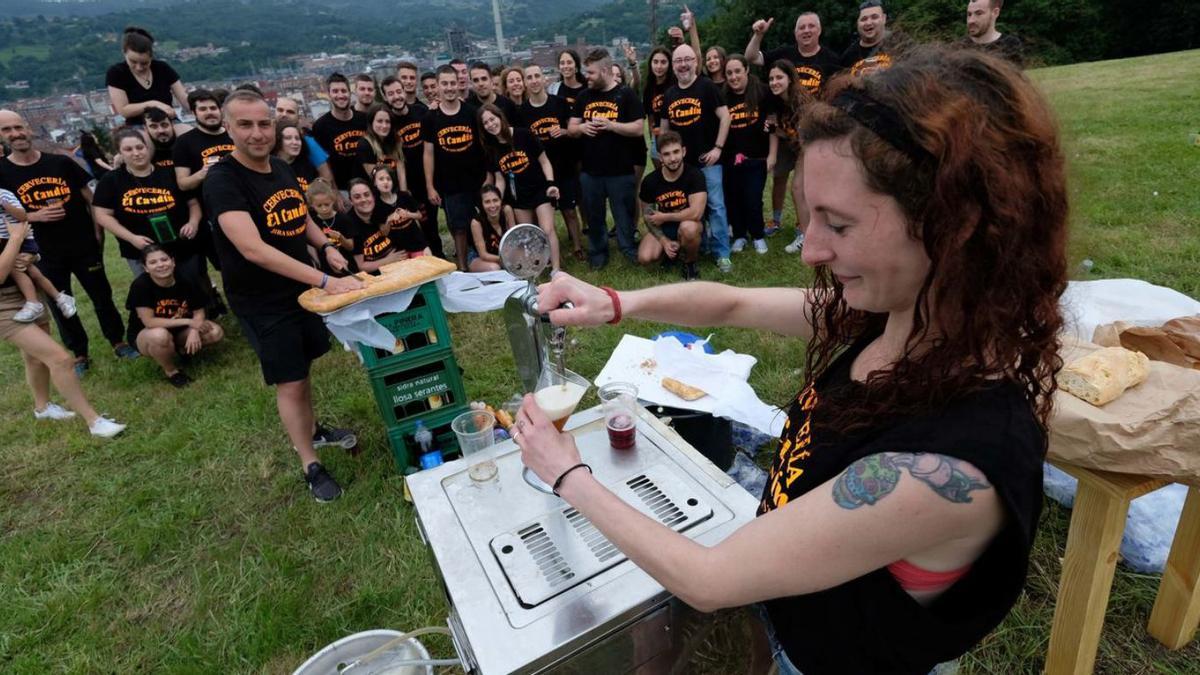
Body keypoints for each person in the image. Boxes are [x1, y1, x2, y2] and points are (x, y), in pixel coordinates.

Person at [515, 46, 1067, 675]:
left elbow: (710, 578)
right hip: (796, 607)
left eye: (839, 224)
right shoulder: (904, 313)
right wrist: (613, 301)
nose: (811, 251)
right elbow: (732, 305)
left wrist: (566, 473)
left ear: (954, 224)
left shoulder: (945, 466)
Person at [204, 89, 364, 503]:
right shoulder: (223, 180)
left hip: (302, 288)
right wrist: (326, 281)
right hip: (262, 298)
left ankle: (312, 429)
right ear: (228, 127)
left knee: (304, 364)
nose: (257, 133)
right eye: (245, 125)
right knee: (290, 380)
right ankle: (310, 463)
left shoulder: (277, 165)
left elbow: (300, 213)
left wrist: (325, 245)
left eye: (263, 124)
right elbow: (252, 249)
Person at [0, 109, 137, 375]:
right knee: (61, 301)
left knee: (101, 296)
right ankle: (79, 354)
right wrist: (33, 215)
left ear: (28, 129)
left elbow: (90, 198)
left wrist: (98, 231)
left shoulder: (60, 163)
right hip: (42, 252)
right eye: (7, 130)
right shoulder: (2, 172)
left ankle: (118, 342)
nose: (15, 134)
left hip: (82, 243)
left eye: (18, 127)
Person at [0, 218, 126, 437]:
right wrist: (16, 238)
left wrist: (31, 255)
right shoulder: (10, 230)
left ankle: (43, 408)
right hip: (3, 307)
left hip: (29, 293)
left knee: (35, 357)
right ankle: (94, 422)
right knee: (60, 359)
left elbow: (26, 250)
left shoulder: (5, 211)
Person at [568, 48, 645, 270]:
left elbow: (639, 128)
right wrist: (582, 127)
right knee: (594, 216)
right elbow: (571, 128)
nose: (587, 77)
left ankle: (628, 248)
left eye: (590, 73)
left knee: (624, 213)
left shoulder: (625, 94)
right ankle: (598, 252)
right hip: (591, 171)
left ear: (604, 70)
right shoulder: (584, 96)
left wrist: (612, 125)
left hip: (621, 169)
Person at [94, 128, 202, 281]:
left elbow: (193, 204)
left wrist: (193, 222)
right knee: (155, 297)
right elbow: (102, 215)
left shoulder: (170, 172)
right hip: (140, 251)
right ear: (120, 153)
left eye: (140, 147)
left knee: (193, 288)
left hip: (180, 246)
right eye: (128, 149)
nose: (136, 153)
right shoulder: (111, 180)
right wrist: (131, 238)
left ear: (147, 147)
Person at [661, 44, 733, 273]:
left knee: (716, 207)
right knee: (691, 209)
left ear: (695, 62)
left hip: (708, 162)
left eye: (687, 59)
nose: (683, 64)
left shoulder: (707, 86)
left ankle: (722, 253)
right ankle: (698, 247)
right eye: (678, 61)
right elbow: (664, 131)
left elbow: (726, 117)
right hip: (682, 167)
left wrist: (718, 148)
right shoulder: (670, 94)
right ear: (673, 66)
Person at [478, 104, 562, 272]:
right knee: (528, 236)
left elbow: (544, 161)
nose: (490, 124)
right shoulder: (491, 149)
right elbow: (500, 179)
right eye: (485, 123)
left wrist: (551, 183)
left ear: (500, 117)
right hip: (518, 197)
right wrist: (497, 201)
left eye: (492, 119)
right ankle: (535, 268)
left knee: (547, 229)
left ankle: (557, 270)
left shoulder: (524, 134)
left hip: (539, 190)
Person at [125, 244, 223, 387]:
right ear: (145, 268)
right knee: (159, 336)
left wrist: (195, 330)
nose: (160, 265)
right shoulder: (141, 286)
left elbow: (199, 311)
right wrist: (189, 321)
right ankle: (172, 371)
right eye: (153, 262)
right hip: (147, 334)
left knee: (215, 332)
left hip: (180, 330)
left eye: (164, 259)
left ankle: (182, 350)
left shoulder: (187, 279)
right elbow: (149, 322)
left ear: (173, 261)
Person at [173, 88, 235, 312]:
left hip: (243, 205)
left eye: (213, 108)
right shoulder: (185, 143)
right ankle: (228, 305)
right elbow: (182, 183)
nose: (209, 113)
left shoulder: (233, 133)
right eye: (203, 109)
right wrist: (204, 172)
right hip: (211, 216)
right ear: (193, 112)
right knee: (224, 266)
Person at [423, 65, 487, 271]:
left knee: (482, 221)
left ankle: (486, 258)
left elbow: (484, 145)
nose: (449, 88)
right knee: (458, 227)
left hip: (476, 179)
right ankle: (462, 267)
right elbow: (428, 153)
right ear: (438, 86)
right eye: (445, 84)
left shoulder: (471, 112)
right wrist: (430, 186)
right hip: (449, 183)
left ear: (458, 84)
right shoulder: (430, 118)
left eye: (452, 83)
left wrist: (488, 176)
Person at [522, 64, 586, 263]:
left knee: (569, 210)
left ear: (544, 79)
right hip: (539, 170)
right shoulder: (522, 111)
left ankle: (577, 246)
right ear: (525, 82)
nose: (533, 80)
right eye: (529, 77)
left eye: (537, 76)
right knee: (542, 214)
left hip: (563, 164)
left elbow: (573, 129)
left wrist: (564, 132)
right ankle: (544, 251)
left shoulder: (559, 103)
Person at [381, 76, 442, 259]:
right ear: (385, 97)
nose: (396, 97)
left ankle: (440, 258)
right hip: (406, 186)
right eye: (391, 94)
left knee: (431, 226)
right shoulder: (387, 123)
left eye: (398, 92)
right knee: (415, 230)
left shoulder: (420, 112)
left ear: (404, 92)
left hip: (428, 179)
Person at [723, 55, 775, 255]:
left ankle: (758, 235)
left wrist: (772, 155)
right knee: (734, 198)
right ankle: (740, 235)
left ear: (746, 70)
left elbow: (772, 125)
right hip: (731, 158)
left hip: (757, 157)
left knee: (753, 198)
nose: (734, 76)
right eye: (729, 73)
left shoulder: (762, 92)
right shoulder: (724, 96)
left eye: (737, 71)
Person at [0, 187, 76, 323]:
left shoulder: (4, 194)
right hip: (7, 242)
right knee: (34, 273)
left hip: (20, 238)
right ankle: (59, 297)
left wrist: (5, 204)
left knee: (15, 269)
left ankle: (33, 303)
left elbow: (22, 216)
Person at [636, 131, 705, 278]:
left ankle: (690, 263)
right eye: (666, 154)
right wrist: (664, 240)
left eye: (676, 152)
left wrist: (665, 217)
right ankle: (672, 251)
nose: (673, 158)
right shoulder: (650, 181)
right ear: (660, 157)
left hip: (689, 223)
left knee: (689, 228)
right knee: (645, 257)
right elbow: (648, 216)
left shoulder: (695, 175)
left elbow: (696, 213)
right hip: (664, 227)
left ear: (683, 151)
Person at [106, 26, 189, 128]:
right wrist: (154, 104)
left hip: (167, 121)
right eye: (133, 62)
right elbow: (124, 110)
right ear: (124, 53)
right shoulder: (117, 73)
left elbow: (184, 98)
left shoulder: (162, 68)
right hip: (138, 125)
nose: (139, 67)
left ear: (151, 57)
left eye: (144, 63)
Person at [763, 62, 807, 254]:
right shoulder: (773, 100)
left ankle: (805, 233)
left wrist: (782, 132)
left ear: (790, 78)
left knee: (798, 186)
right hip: (790, 142)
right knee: (778, 175)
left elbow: (805, 136)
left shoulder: (801, 100)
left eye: (779, 77)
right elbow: (774, 130)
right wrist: (772, 156)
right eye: (771, 78)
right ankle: (776, 220)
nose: (774, 82)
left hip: (809, 145)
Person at [745, 13, 841, 99]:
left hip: (817, 114)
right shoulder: (784, 53)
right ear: (795, 33)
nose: (806, 30)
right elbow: (751, 58)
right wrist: (758, 35)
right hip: (787, 114)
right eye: (801, 27)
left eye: (811, 26)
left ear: (819, 30)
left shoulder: (832, 59)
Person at [345, 178, 428, 273]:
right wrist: (387, 261)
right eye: (357, 197)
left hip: (402, 260)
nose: (363, 199)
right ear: (351, 201)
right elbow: (361, 266)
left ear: (373, 196)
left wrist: (424, 247)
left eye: (367, 195)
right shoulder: (350, 224)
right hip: (377, 274)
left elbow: (412, 229)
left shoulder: (383, 207)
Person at [311, 73, 368, 198]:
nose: (340, 95)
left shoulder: (364, 119)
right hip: (342, 191)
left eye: (343, 91)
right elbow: (322, 164)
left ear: (350, 93)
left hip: (368, 186)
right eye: (335, 91)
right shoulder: (321, 126)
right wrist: (334, 192)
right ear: (328, 94)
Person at [273, 96, 337, 190]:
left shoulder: (308, 143)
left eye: (290, 112)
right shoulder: (265, 141)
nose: (284, 114)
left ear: (298, 118)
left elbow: (326, 176)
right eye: (280, 110)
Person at [305, 178, 357, 274]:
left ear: (333, 200)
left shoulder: (343, 219)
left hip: (348, 267)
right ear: (312, 205)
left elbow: (351, 247)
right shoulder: (312, 223)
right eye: (319, 206)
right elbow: (312, 248)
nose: (324, 208)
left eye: (326, 204)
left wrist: (340, 238)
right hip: (327, 271)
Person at [355, 103, 406, 190]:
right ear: (371, 122)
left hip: (393, 189)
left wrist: (403, 193)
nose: (384, 125)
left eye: (387, 121)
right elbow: (376, 178)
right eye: (379, 121)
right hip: (373, 192)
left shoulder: (395, 140)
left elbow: (401, 170)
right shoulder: (364, 145)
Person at [640, 47, 677, 168]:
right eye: (655, 62)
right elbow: (650, 117)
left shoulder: (675, 84)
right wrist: (653, 140)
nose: (659, 66)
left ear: (669, 64)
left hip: (676, 136)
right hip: (658, 138)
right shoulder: (648, 88)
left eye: (663, 62)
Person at [467, 184, 513, 272]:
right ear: (481, 204)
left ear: (500, 201)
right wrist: (507, 260)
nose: (492, 205)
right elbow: (483, 255)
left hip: (503, 254)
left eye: (495, 200)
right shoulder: (476, 222)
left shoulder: (507, 211)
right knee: (495, 268)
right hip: (480, 258)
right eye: (487, 202)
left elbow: (515, 240)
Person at [843, 1, 896, 76]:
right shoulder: (848, 57)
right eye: (863, 19)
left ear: (884, 18)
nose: (868, 23)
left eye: (874, 17)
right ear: (857, 23)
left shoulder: (901, 44)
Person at [963, 0, 1023, 65]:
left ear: (995, 13)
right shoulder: (959, 47)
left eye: (979, 13)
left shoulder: (1010, 45)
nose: (971, 20)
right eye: (969, 14)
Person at [274, 121, 319, 193]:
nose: (295, 142)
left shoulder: (307, 167)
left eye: (297, 138)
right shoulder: (269, 167)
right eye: (288, 138)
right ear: (278, 140)